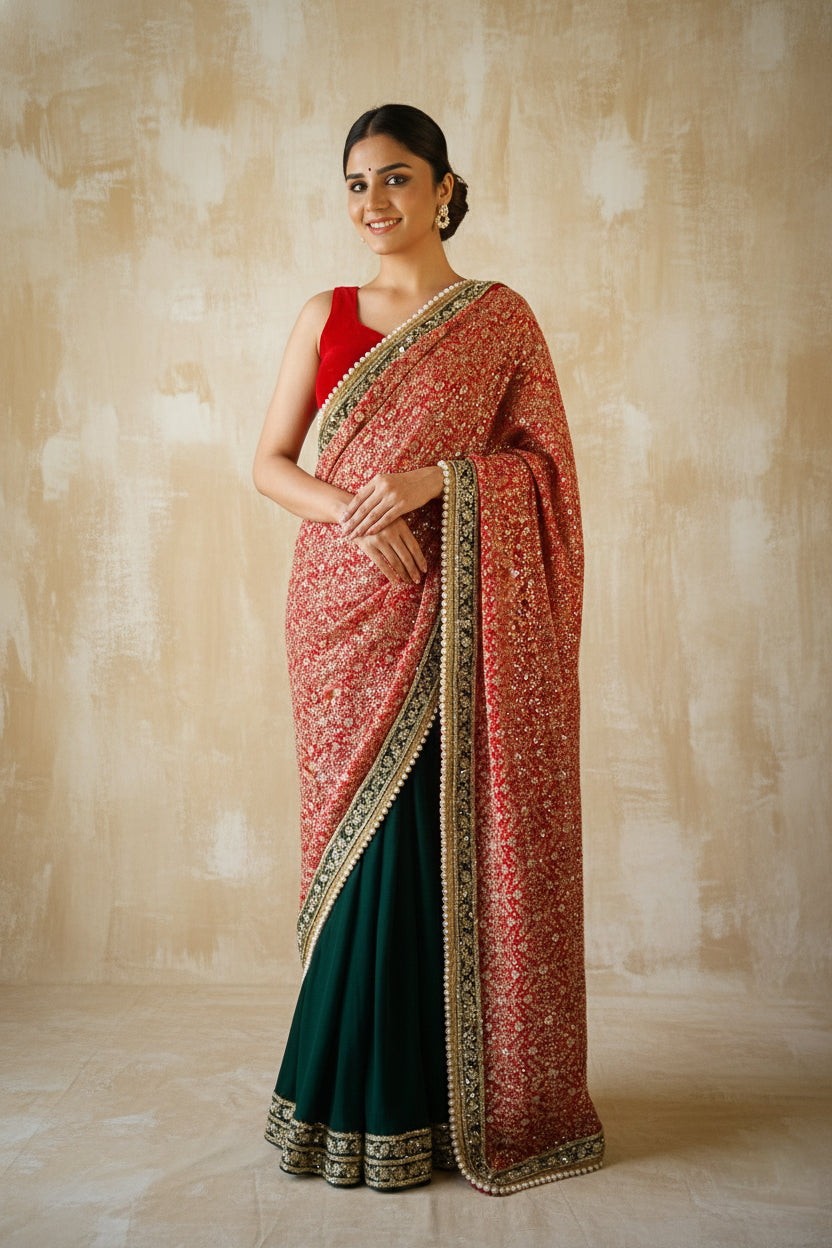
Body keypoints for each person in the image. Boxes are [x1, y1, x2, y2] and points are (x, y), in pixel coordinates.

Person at [252, 104, 604, 1196]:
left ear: (445, 189)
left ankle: (448, 1100)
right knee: (362, 847)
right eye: (357, 184)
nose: (375, 202)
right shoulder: (325, 314)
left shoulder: (498, 320)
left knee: (436, 836)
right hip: (345, 611)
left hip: (462, 618)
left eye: (397, 178)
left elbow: (546, 474)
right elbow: (270, 464)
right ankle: (350, 1098)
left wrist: (437, 481)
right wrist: (358, 511)